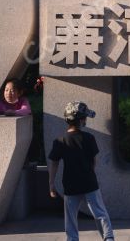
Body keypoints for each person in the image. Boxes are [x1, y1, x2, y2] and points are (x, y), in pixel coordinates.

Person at [48, 101, 114, 241]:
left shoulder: (60, 140)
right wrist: (89, 172)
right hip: (89, 182)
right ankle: (108, 238)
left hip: (70, 184)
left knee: (71, 218)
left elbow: (54, 163)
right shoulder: (89, 138)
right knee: (100, 213)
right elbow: (94, 161)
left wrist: (52, 183)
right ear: (82, 120)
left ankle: (72, 239)